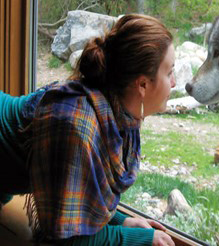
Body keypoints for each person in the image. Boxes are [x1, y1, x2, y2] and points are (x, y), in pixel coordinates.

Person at [0, 14, 176, 246]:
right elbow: (62, 240)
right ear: (142, 84)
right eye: (170, 72)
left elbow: (83, 193)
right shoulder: (77, 123)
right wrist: (141, 239)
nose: (174, 82)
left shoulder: (116, 114)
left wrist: (121, 221)